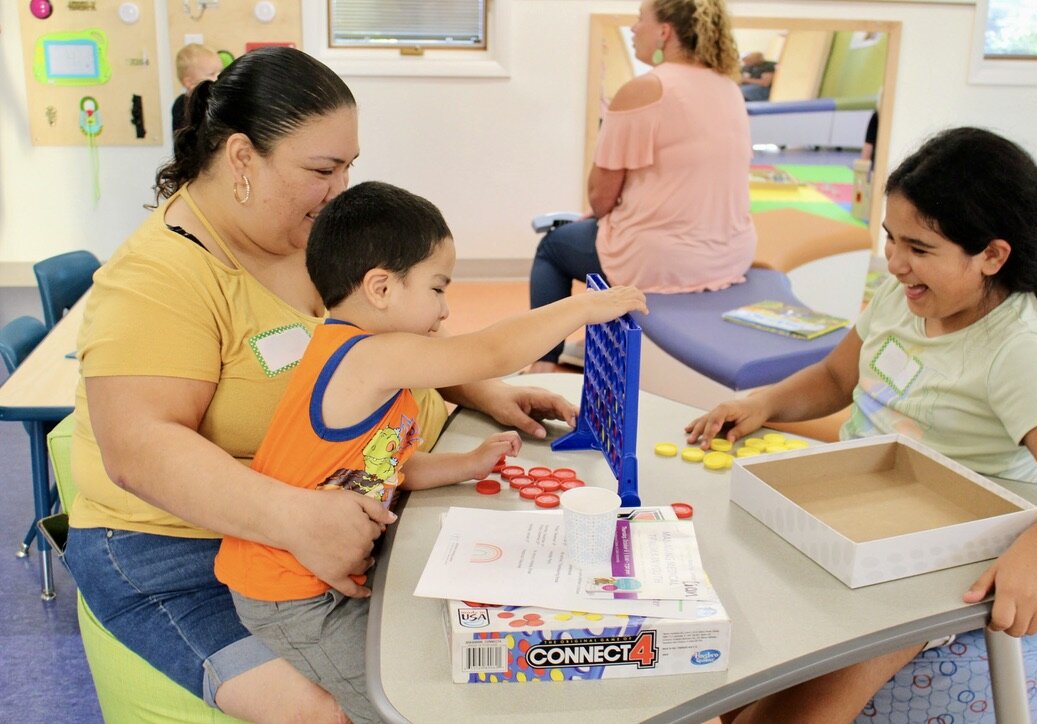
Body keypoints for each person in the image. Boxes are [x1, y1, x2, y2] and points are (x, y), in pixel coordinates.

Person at [63, 46, 581, 722]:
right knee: (341, 705)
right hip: (174, 553)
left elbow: (382, 330)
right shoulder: (158, 278)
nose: (339, 191)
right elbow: (140, 449)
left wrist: (480, 391)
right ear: (243, 159)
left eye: (348, 168)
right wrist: (296, 518)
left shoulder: (306, 240)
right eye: (321, 170)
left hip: (315, 515)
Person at [685, 127, 1037, 722]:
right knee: (730, 676)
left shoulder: (1019, 348)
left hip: (930, 565)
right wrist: (766, 402)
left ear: (992, 256)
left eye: (919, 248)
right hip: (849, 518)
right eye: (889, 239)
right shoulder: (906, 296)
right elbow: (834, 378)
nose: (896, 262)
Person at [215, 180, 648, 720]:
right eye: (438, 289)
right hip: (290, 595)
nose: (444, 312)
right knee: (401, 704)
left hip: (317, 572)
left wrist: (466, 465)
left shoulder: (365, 361)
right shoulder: (367, 358)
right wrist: (582, 308)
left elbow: (378, 469)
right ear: (381, 288)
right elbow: (489, 350)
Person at [528, 0, 755, 373]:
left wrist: (605, 213)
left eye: (640, 20)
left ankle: (542, 364)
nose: (634, 28)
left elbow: (600, 199)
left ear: (664, 31)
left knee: (553, 247)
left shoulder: (645, 89)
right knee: (594, 234)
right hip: (731, 253)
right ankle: (593, 344)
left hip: (665, 260)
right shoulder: (728, 87)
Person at [170, 43, 223, 140]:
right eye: (211, 74)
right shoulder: (181, 106)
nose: (218, 78)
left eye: (220, 72)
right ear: (189, 83)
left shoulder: (220, 100)